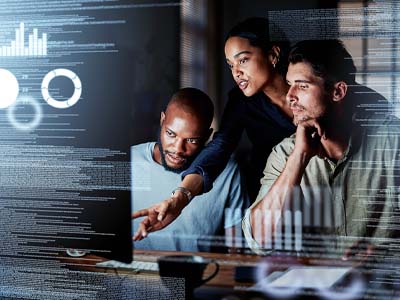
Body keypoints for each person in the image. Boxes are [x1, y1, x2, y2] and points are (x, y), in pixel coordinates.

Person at [133, 17, 296, 240]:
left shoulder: (314, 89)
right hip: (275, 194)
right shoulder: (241, 102)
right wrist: (180, 198)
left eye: (243, 60)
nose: (236, 72)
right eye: (231, 65)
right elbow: (221, 146)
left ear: (273, 54)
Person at [242, 40, 400, 258]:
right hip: (313, 287)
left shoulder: (392, 142)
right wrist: (299, 157)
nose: (290, 96)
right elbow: (260, 241)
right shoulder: (286, 153)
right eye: (290, 84)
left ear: (337, 91)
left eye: (302, 85)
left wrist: (385, 253)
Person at [132, 87, 249, 252]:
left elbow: (236, 248)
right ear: (162, 120)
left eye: (192, 140)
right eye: (171, 134)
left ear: (208, 136)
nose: (178, 149)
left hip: (199, 275)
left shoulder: (228, 172)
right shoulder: (129, 160)